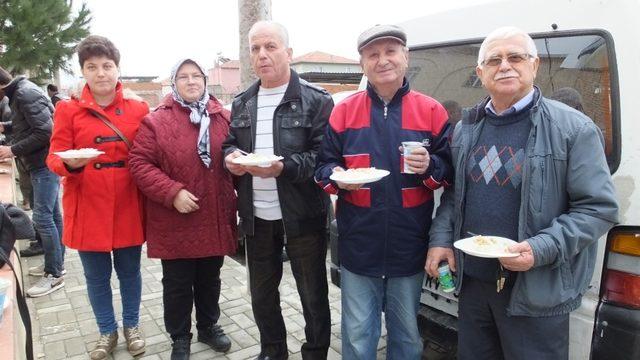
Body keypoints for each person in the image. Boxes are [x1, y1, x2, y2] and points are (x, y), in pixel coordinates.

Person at [426, 26, 619, 360]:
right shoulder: (467, 127)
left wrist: (539, 248)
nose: (505, 66)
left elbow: (597, 209)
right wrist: (441, 240)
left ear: (535, 65)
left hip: (536, 292)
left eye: (516, 57)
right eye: (494, 60)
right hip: (474, 286)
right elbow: (455, 195)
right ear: (480, 72)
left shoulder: (573, 129)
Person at [315, 24, 453, 359]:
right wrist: (338, 178)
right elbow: (322, 167)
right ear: (362, 63)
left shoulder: (432, 111)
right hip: (359, 243)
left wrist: (431, 167)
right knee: (359, 335)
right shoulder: (344, 111)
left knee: (406, 335)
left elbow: (450, 173)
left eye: (390, 51)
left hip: (410, 243)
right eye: (372, 54)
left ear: (405, 57)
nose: (382, 60)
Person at [223, 20, 333, 360]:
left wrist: (282, 167)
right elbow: (229, 143)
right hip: (256, 216)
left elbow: (323, 159)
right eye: (255, 49)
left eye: (270, 47)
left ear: (288, 52)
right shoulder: (242, 102)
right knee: (261, 294)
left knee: (312, 295)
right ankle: (273, 352)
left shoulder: (316, 101)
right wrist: (230, 158)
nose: (262, 55)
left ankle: (315, 353)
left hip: (303, 216)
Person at [46, 35, 149, 360]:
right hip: (86, 202)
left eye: (107, 66)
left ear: (118, 69)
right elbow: (52, 158)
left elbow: (151, 153)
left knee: (130, 272)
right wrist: (70, 164)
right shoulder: (67, 109)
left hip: (128, 203)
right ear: (83, 72)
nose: (101, 73)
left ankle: (131, 325)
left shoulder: (139, 107)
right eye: (92, 67)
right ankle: (107, 330)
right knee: (95, 276)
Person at [129, 58, 236, 360]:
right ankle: (180, 336)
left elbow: (236, 156)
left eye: (196, 76)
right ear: (173, 83)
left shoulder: (222, 117)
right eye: (183, 77)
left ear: (205, 80)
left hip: (213, 213)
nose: (191, 82)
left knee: (210, 278)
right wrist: (172, 192)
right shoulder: (157, 120)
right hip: (175, 218)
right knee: (177, 284)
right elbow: (139, 163)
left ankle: (208, 326)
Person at [0, 66, 65, 296]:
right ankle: (56, 265)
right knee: (53, 216)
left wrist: (12, 150)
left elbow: (45, 131)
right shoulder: (20, 92)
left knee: (43, 218)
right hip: (40, 162)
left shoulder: (24, 93)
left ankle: (54, 274)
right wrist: (5, 127)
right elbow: (27, 124)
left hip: (44, 163)